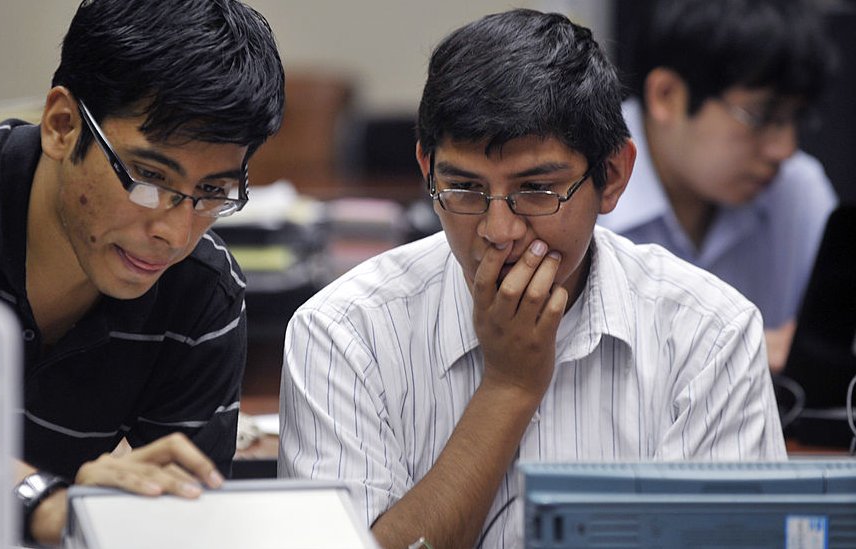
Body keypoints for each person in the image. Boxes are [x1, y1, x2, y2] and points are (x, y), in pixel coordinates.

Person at [278, 9, 786, 549]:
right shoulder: (343, 332)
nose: (499, 231)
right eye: (465, 189)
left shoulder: (709, 334)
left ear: (611, 176)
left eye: (537, 189)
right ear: (427, 171)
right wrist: (508, 387)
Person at [0, 0, 283, 545]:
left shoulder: (201, 292)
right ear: (62, 125)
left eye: (212, 193)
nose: (176, 233)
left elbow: (181, 530)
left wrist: (119, 515)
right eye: (148, 176)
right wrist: (48, 502)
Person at [598, 0, 837, 373]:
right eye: (762, 116)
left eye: (795, 118)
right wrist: (748, 347)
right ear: (667, 95)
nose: (784, 149)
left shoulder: (796, 189)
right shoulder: (577, 184)